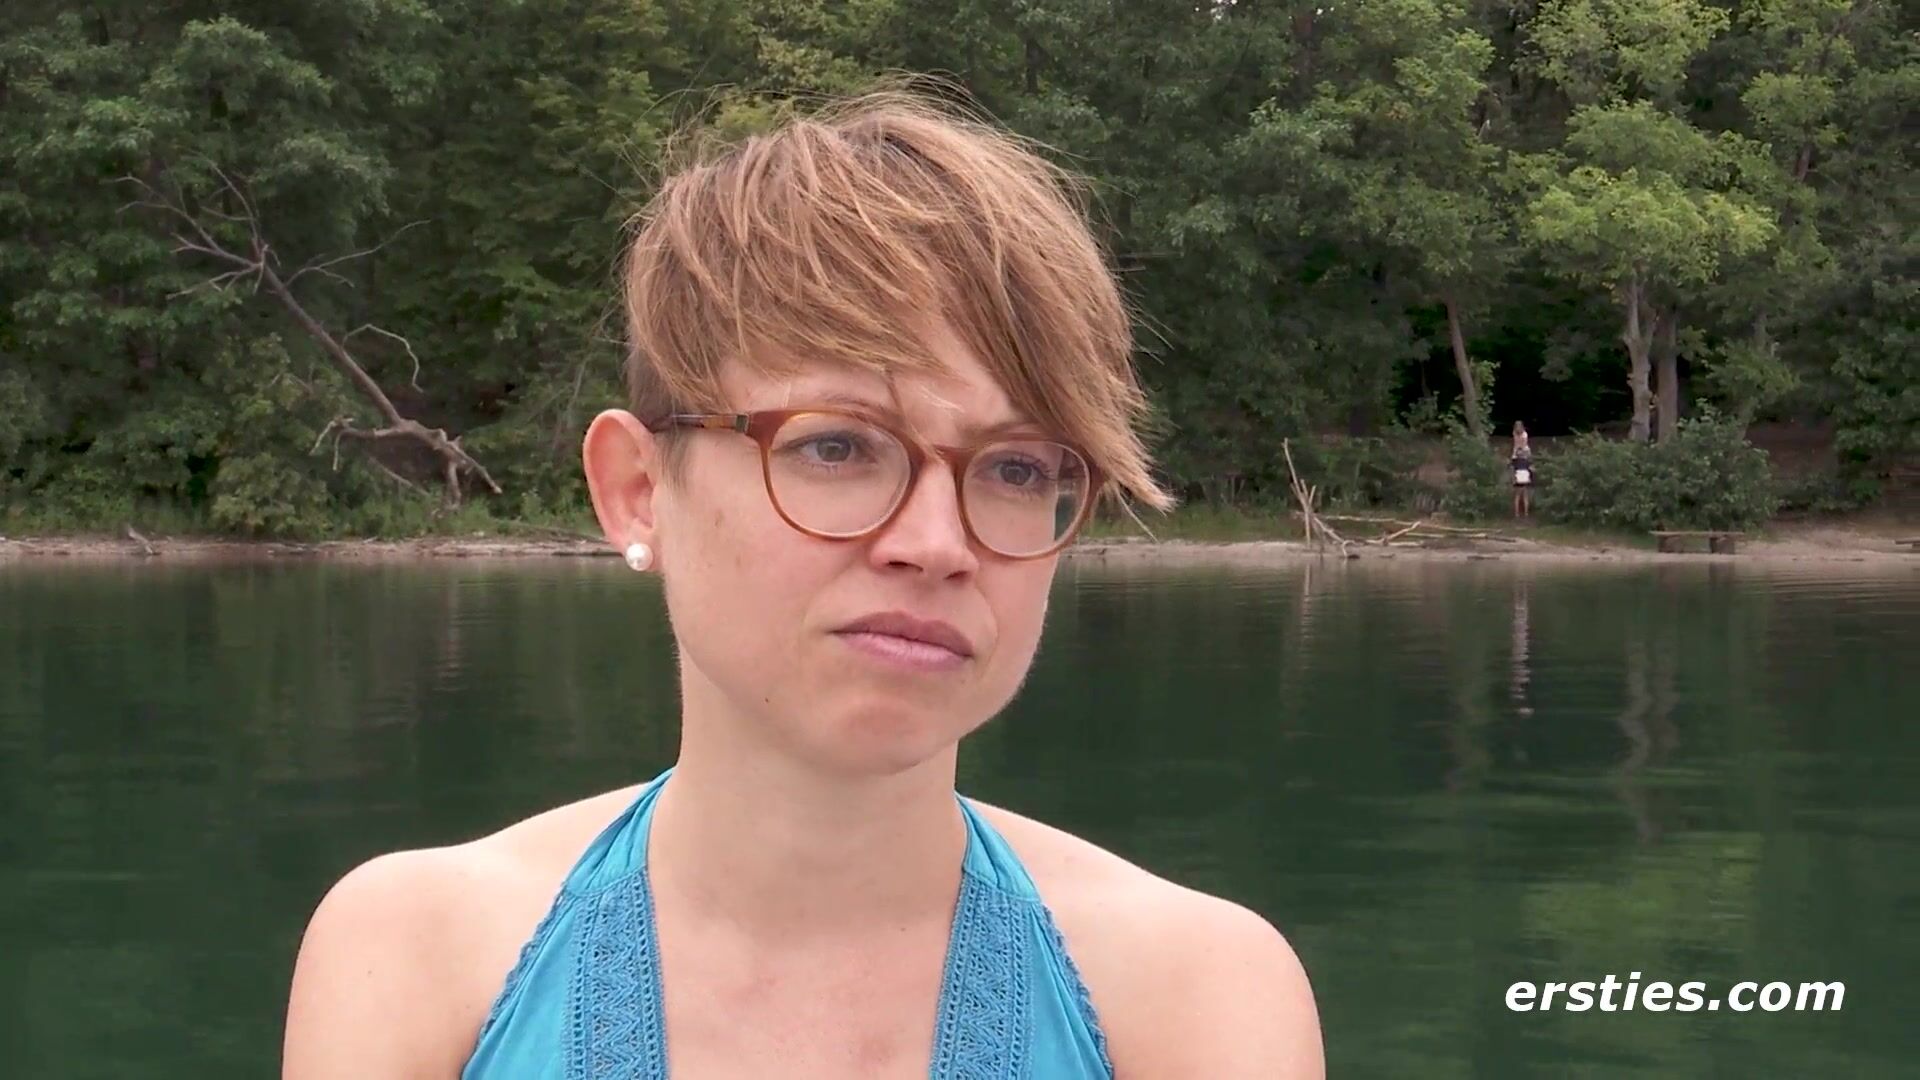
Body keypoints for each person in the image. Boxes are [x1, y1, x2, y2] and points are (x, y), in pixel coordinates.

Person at [282, 89, 1323, 1079]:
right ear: (638, 491)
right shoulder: (416, 963)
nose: (936, 544)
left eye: (1015, 469)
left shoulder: (1199, 1000)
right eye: (837, 447)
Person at [1510, 420, 1533, 519]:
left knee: (1517, 495)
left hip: (1519, 472)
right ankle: (1526, 513)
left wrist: (1516, 453)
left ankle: (1517, 514)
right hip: (1524, 474)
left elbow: (1519, 445)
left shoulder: (1519, 434)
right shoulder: (1526, 460)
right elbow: (1521, 446)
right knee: (1525, 495)